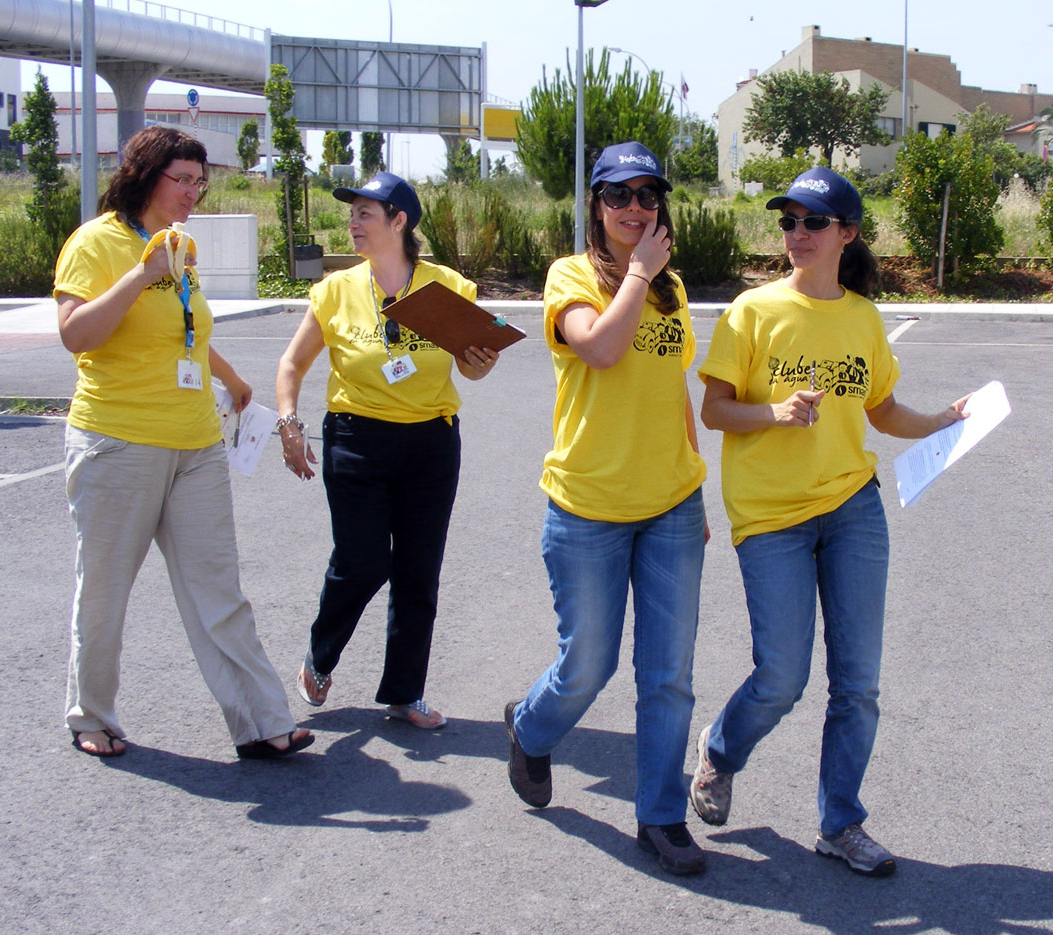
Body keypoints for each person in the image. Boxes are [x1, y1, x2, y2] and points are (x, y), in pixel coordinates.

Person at [692, 167, 969, 876]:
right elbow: (714, 410)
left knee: (858, 684)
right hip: (770, 517)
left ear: (847, 233)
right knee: (782, 676)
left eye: (813, 222)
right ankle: (719, 749)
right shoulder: (752, 312)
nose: (797, 234)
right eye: (788, 221)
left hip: (852, 508)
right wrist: (775, 412)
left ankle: (840, 823)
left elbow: (882, 409)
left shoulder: (863, 318)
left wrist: (941, 421)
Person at [56, 126, 312, 760]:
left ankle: (262, 722)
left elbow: (184, 330)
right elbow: (76, 334)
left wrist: (231, 378)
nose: (194, 192)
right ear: (146, 176)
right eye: (184, 180)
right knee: (105, 590)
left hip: (196, 443)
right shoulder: (97, 243)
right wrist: (143, 273)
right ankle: (91, 715)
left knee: (219, 589)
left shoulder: (180, 245)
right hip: (118, 441)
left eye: (201, 182)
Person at [504, 142, 710, 876]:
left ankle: (661, 815)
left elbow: (673, 387)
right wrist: (640, 274)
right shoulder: (571, 277)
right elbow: (601, 349)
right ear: (595, 206)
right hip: (588, 506)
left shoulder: (669, 288)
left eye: (648, 195)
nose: (635, 208)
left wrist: (695, 483)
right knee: (588, 665)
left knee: (669, 673)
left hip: (671, 506)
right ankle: (530, 729)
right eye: (618, 195)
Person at [276, 172, 499, 730]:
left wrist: (480, 359)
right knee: (362, 561)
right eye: (352, 214)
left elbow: (471, 369)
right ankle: (320, 655)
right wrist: (289, 422)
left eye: (364, 214)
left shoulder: (447, 287)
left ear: (399, 221)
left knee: (419, 571)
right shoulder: (336, 290)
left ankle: (404, 693)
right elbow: (292, 364)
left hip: (430, 443)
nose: (352, 223)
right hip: (356, 441)